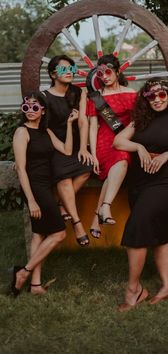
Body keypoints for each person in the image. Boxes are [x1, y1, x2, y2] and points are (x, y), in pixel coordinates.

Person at [113, 78, 168, 312]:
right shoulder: (140, 120)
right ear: (145, 100)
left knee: (137, 226)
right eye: (151, 96)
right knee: (158, 232)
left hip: (166, 182)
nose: (157, 100)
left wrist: (167, 154)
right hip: (139, 183)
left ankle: (133, 290)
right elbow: (119, 142)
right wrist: (138, 147)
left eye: (161, 95)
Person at [12, 91, 77, 296]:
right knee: (58, 233)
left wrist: (68, 124)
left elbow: (66, 151)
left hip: (46, 185)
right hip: (34, 188)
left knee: (39, 234)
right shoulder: (22, 132)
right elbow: (21, 169)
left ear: (42, 110)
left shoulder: (45, 131)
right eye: (26, 107)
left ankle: (35, 285)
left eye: (34, 107)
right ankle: (24, 272)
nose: (30, 110)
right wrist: (31, 200)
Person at [44, 55, 93, 246]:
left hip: (75, 144)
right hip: (55, 145)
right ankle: (77, 223)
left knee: (87, 167)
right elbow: (45, 129)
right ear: (53, 74)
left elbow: (83, 121)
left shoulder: (78, 92)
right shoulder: (44, 97)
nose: (69, 72)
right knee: (63, 177)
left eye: (71, 69)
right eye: (64, 69)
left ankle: (62, 205)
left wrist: (83, 148)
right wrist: (62, 148)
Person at [87, 54, 137, 239]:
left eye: (108, 72)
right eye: (100, 74)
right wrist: (93, 154)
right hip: (103, 143)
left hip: (124, 140)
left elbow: (138, 122)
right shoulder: (96, 97)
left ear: (117, 71)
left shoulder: (132, 94)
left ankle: (99, 213)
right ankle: (103, 210)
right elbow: (93, 127)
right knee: (120, 162)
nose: (105, 76)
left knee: (121, 159)